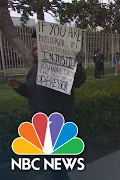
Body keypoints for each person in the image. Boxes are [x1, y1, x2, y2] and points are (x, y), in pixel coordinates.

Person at [9, 31, 86, 180]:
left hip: (59, 123)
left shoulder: (61, 67)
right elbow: (32, 93)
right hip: (40, 124)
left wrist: (78, 64)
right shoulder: (34, 70)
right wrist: (20, 87)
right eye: (33, 47)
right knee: (53, 165)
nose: (34, 50)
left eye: (38, 47)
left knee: (57, 167)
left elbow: (78, 81)